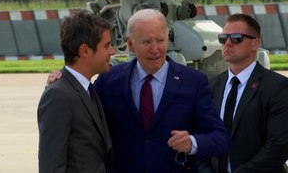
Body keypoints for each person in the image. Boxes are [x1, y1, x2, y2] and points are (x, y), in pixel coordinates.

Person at [46, 9, 230, 172]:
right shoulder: (109, 81)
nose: (155, 49)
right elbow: (80, 105)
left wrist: (192, 143)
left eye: (160, 40)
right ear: (131, 45)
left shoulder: (194, 82)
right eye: (146, 42)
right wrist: (62, 79)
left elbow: (220, 138)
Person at [198, 13, 288, 173]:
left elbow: (279, 145)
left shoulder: (277, 87)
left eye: (236, 38)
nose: (227, 43)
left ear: (255, 44)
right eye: (223, 38)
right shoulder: (210, 87)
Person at [37, 10, 115, 173]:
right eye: (106, 45)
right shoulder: (59, 96)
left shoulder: (88, 89)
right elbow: (51, 167)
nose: (112, 51)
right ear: (85, 50)